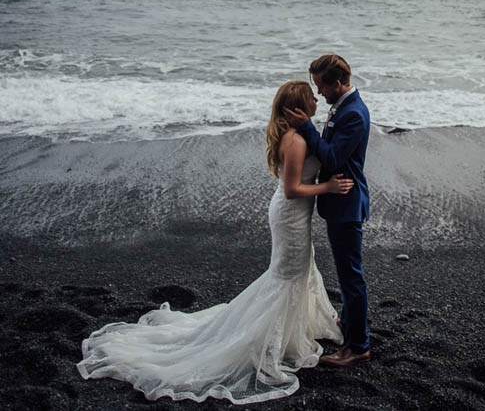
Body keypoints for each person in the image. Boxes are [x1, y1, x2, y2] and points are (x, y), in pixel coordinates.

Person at [77, 80, 353, 405]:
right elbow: (293, 189)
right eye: (310, 98)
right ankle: (265, 342)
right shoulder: (294, 140)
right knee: (286, 277)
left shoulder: (299, 134)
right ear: (297, 107)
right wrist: (329, 189)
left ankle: (289, 334)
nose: (316, 101)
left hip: (294, 214)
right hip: (290, 213)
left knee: (296, 272)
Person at [284, 53, 371, 367]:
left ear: (337, 83)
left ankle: (358, 345)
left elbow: (333, 158)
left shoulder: (354, 114)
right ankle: (349, 326)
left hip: (347, 203)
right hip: (339, 202)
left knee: (351, 277)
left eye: (321, 86)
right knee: (347, 273)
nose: (318, 93)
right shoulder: (344, 106)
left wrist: (307, 128)